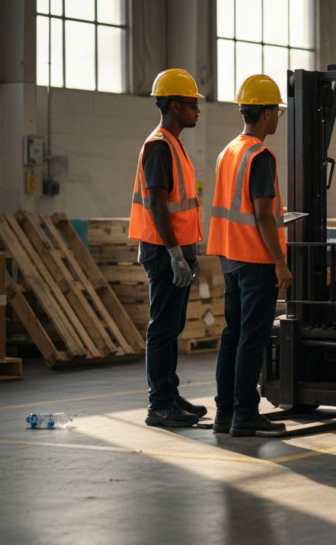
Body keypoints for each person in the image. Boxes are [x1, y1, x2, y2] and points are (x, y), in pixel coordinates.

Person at [207, 74, 294, 437]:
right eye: (277, 112)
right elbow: (261, 213)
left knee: (232, 335)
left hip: (229, 257)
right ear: (268, 113)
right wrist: (280, 261)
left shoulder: (228, 151)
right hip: (256, 258)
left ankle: (225, 412)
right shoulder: (260, 154)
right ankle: (245, 413)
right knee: (252, 338)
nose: (278, 119)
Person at [129, 69, 206, 427]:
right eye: (192, 104)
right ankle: (159, 404)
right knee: (162, 328)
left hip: (175, 250)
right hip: (163, 252)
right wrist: (176, 253)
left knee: (171, 327)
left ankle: (170, 395)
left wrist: (190, 252)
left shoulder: (173, 145)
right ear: (174, 105)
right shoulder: (159, 146)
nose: (197, 110)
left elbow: (179, 206)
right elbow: (157, 204)